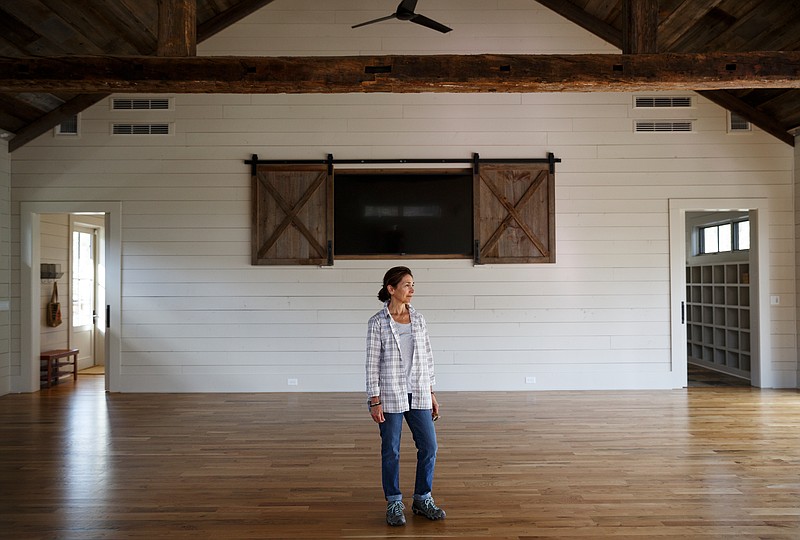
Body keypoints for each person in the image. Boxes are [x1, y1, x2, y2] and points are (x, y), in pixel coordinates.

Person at [365, 266, 446, 526]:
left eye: (413, 284)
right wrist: (374, 399)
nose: (412, 289)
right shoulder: (377, 322)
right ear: (391, 289)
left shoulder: (419, 319)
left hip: (419, 392)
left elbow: (429, 358)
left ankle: (422, 498)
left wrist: (432, 392)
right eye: (407, 285)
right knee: (391, 449)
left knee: (429, 446)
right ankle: (394, 501)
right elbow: (371, 364)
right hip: (390, 394)